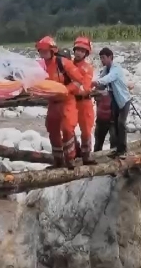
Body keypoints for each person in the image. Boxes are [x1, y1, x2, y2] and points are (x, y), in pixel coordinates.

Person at [35, 36, 87, 169]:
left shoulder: (63, 63)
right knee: (52, 130)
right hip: (53, 102)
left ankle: (70, 159)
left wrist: (66, 90)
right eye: (41, 51)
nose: (43, 54)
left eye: (45, 51)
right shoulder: (39, 66)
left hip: (67, 101)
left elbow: (78, 80)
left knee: (68, 129)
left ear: (52, 51)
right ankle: (58, 160)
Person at [95, 47, 132, 157]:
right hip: (115, 101)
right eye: (101, 58)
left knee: (121, 123)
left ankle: (123, 149)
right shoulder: (106, 69)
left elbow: (108, 78)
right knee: (115, 124)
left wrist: (96, 82)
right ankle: (117, 149)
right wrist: (94, 88)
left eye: (103, 58)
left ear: (110, 57)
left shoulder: (116, 68)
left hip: (124, 100)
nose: (102, 60)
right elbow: (102, 83)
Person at [72, 37, 96, 164]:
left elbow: (85, 88)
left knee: (86, 129)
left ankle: (86, 154)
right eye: (77, 50)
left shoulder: (88, 68)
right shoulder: (67, 64)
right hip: (71, 101)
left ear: (86, 53)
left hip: (84, 102)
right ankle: (74, 151)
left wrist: (70, 88)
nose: (79, 53)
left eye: (82, 51)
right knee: (67, 128)